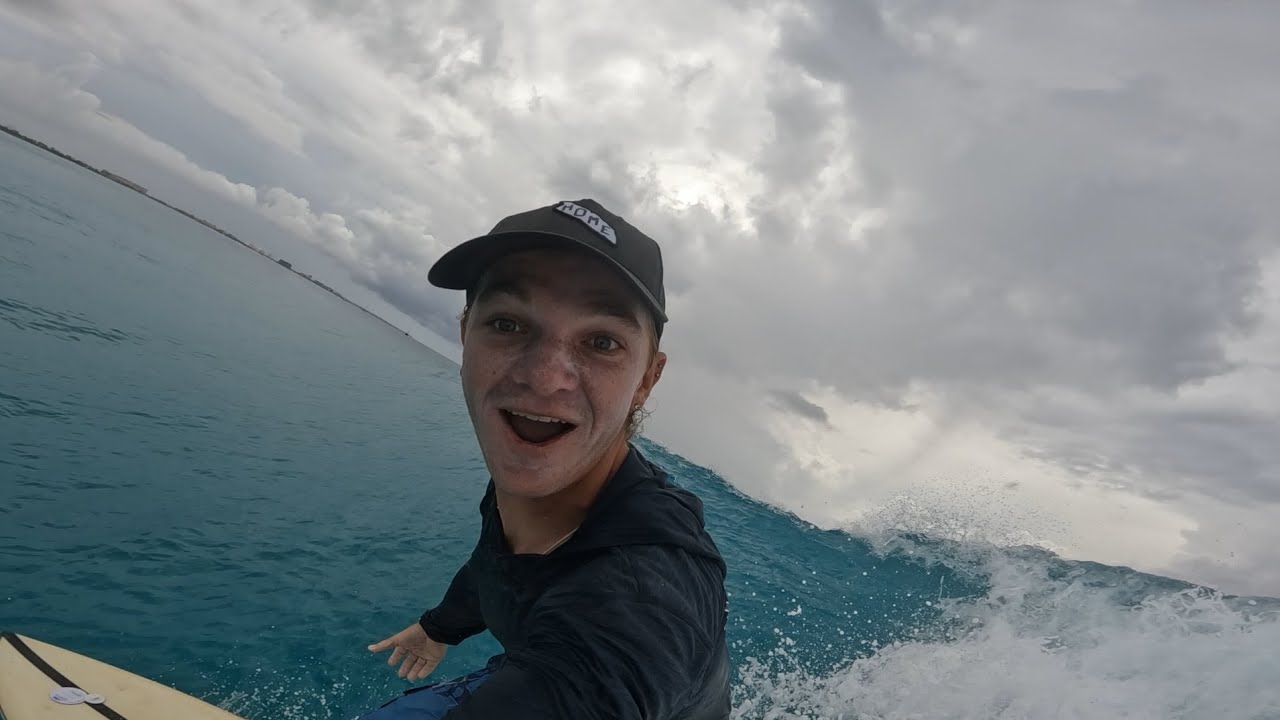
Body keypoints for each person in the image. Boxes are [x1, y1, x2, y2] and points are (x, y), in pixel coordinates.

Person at [360, 199, 732, 719]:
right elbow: (498, 563)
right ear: (466, 333)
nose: (544, 377)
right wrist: (439, 628)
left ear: (647, 379)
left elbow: (609, 666)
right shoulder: (541, 472)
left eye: (602, 342)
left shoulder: (646, 587)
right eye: (509, 324)